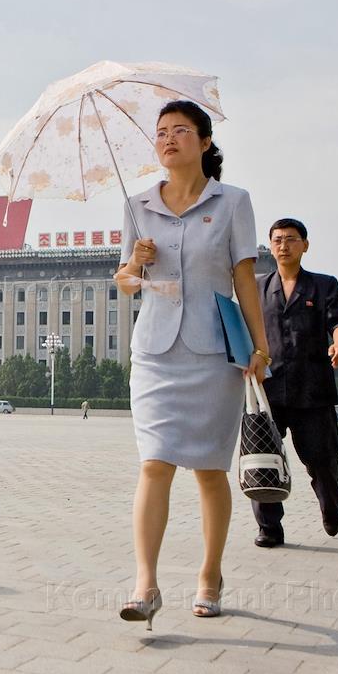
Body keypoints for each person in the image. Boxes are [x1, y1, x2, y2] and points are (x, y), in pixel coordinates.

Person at [115, 100, 267, 628]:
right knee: (154, 464)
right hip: (155, 351)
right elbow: (125, 281)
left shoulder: (232, 202)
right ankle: (145, 584)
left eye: (181, 130)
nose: (168, 139)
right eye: (160, 133)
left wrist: (259, 346)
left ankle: (209, 575)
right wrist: (137, 261)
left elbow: (244, 276)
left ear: (205, 142)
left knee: (207, 470)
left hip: (213, 351)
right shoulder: (137, 205)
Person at [251, 219, 338, 549]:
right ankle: (269, 528)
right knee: (262, 458)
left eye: (291, 239)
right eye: (277, 240)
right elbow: (244, 327)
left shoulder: (324, 285)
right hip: (268, 387)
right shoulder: (258, 287)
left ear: (305, 245)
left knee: (321, 458)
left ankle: (330, 500)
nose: (283, 245)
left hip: (312, 387)